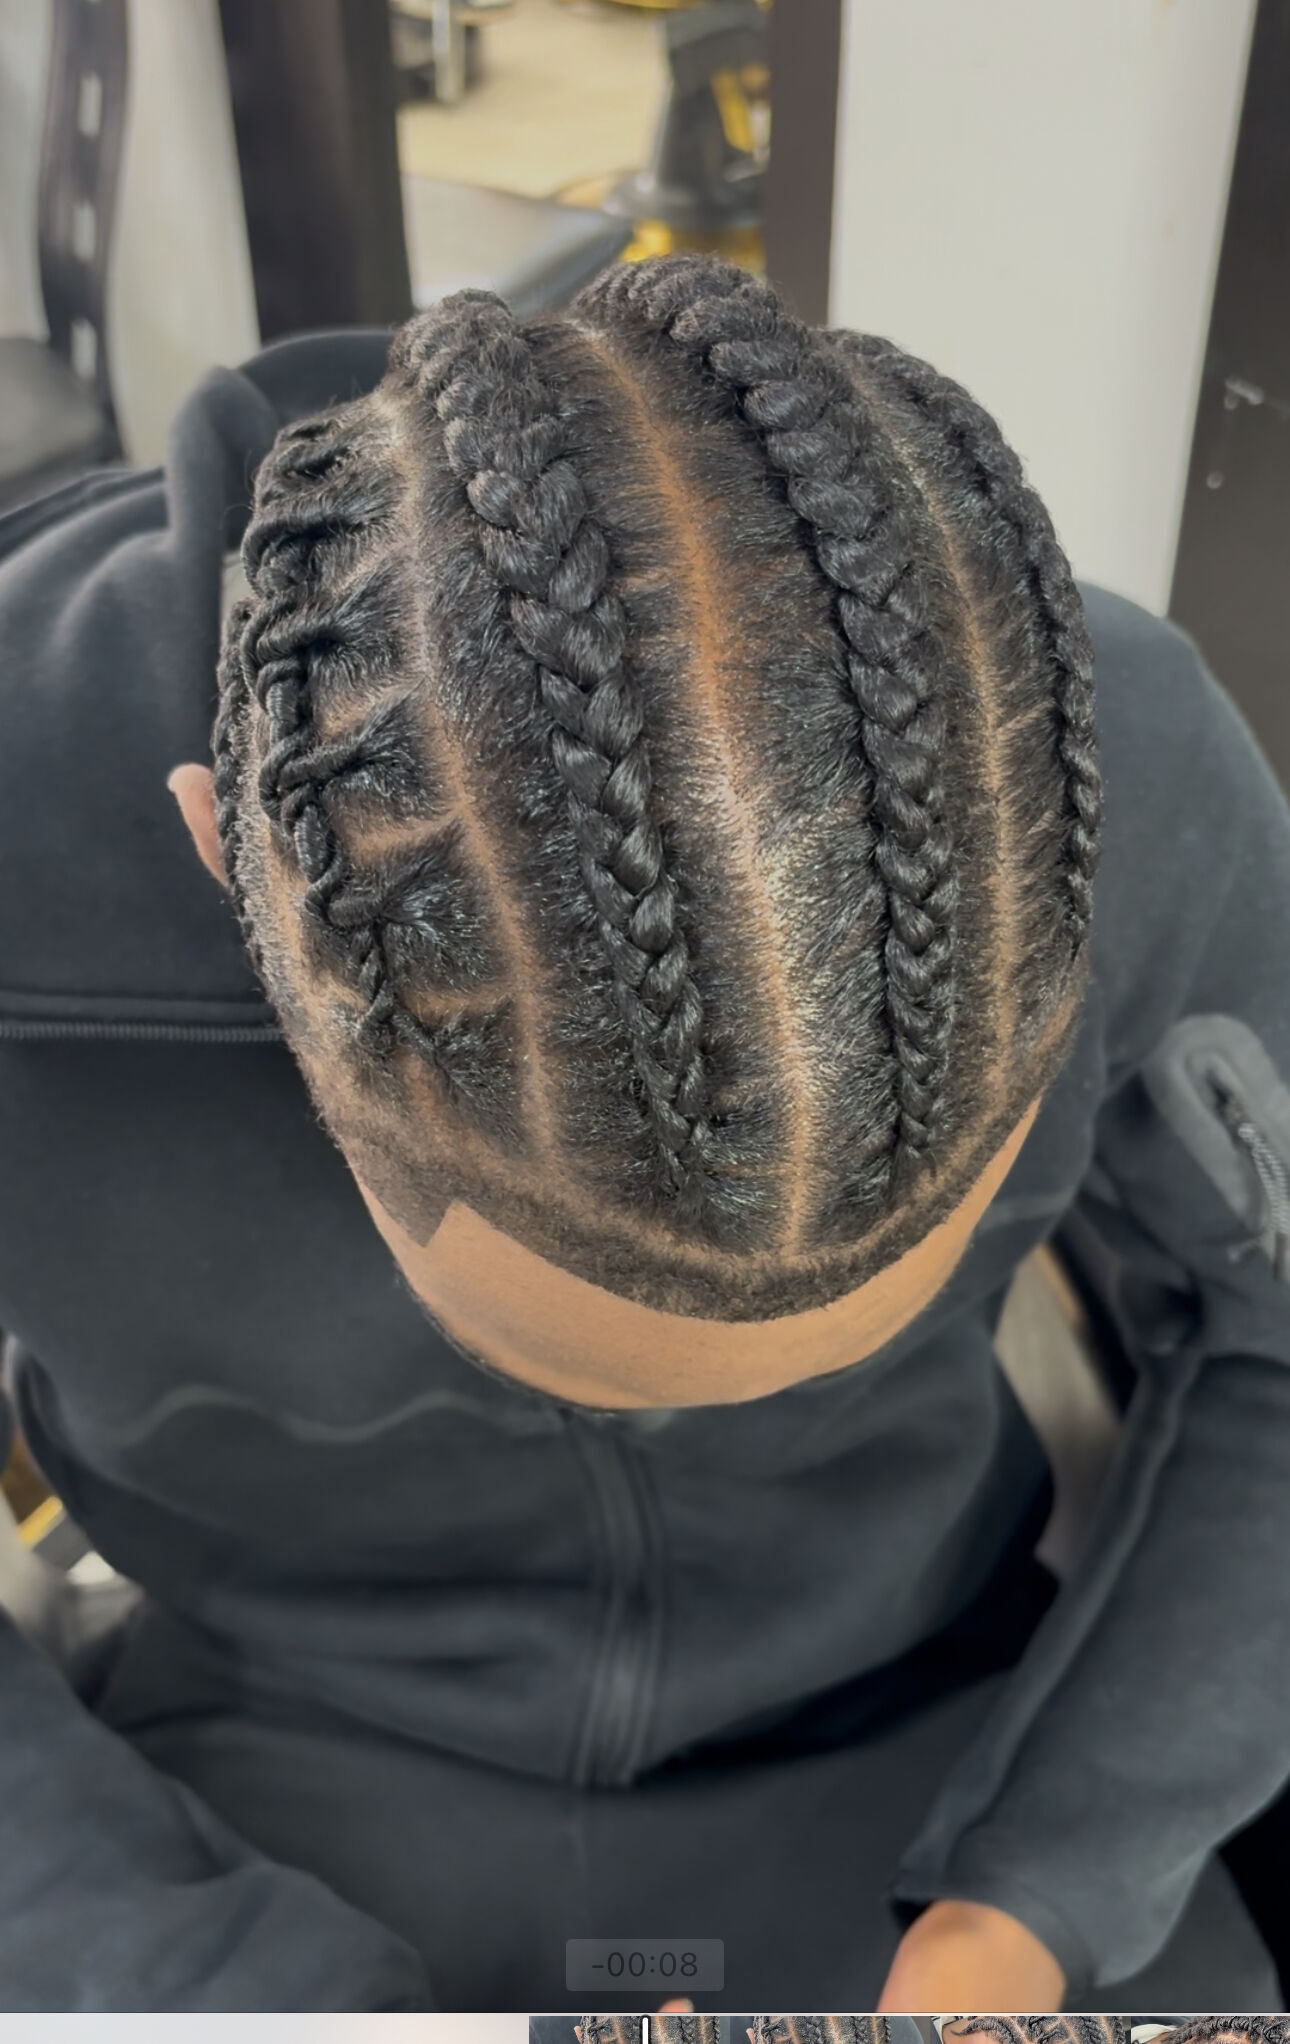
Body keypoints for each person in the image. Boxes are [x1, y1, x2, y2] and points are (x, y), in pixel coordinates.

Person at [0, 254, 1287, 2013]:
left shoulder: (1088, 779)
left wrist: (1045, 1894)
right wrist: (229, 1987)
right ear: (230, 859)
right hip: (260, 1777)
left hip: (932, 1725)